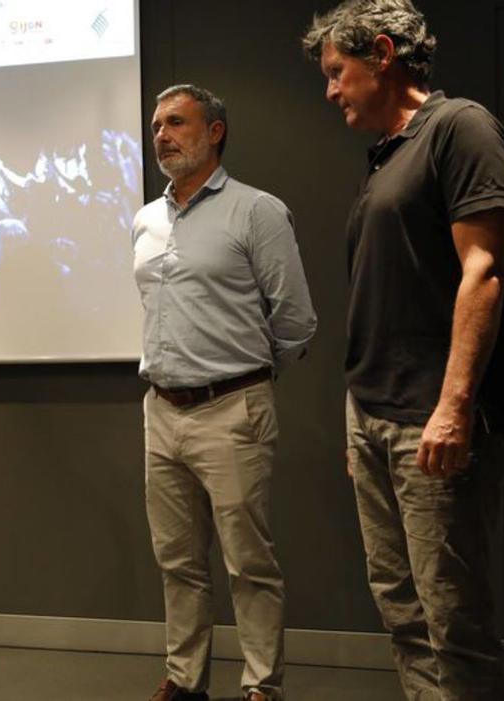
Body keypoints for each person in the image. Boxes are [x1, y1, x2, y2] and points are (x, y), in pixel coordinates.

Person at [303, 2, 504, 699]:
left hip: (432, 419)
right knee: (402, 612)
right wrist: (358, 414)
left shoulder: (460, 128)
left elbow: (483, 273)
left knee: (453, 619)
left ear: (384, 53)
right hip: (373, 414)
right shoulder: (389, 154)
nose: (332, 90)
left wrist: (455, 407)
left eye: (339, 72)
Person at [133, 85, 317, 701]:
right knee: (177, 562)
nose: (162, 134)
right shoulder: (146, 218)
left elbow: (295, 321)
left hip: (233, 408)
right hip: (161, 411)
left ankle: (262, 686)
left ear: (214, 132)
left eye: (176, 122)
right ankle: (186, 681)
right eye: (157, 124)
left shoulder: (257, 211)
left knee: (248, 564)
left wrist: (246, 381)